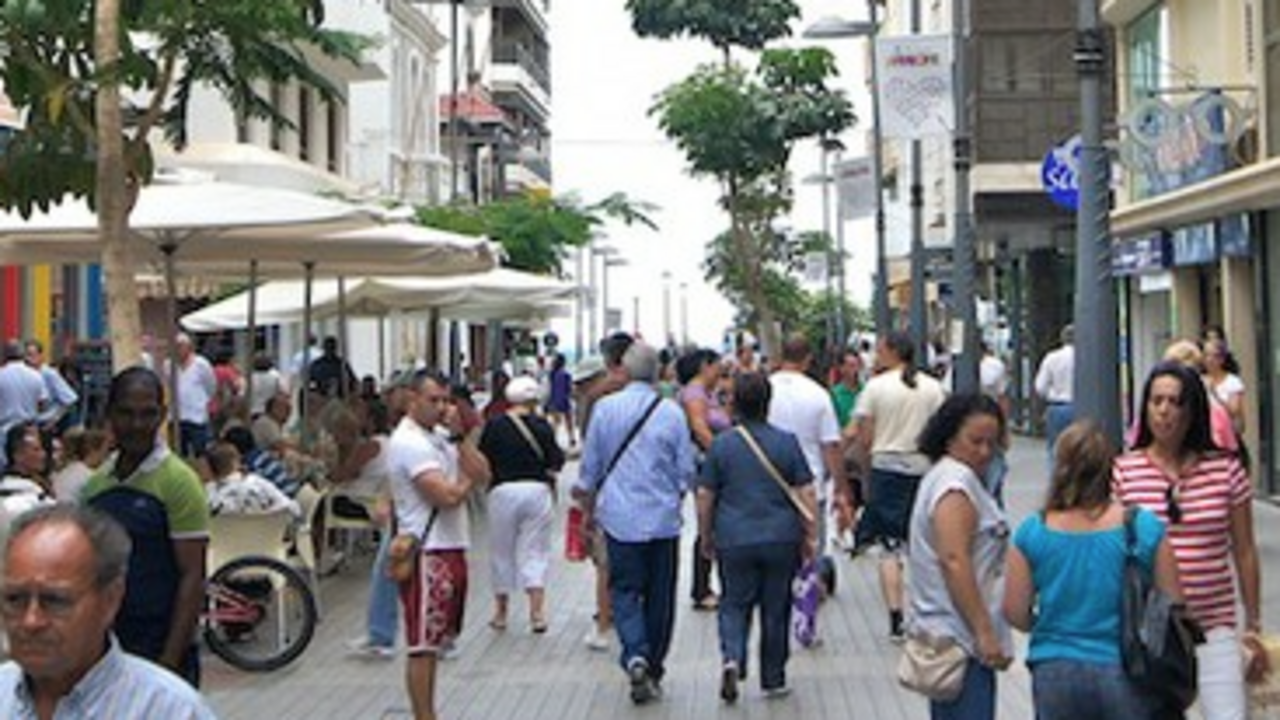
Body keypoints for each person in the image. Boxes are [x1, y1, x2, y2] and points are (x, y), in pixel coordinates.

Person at [1113, 360, 1266, 719]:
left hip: (1214, 624)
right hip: (1151, 631)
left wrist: (1254, 622)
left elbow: (1244, 550)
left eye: (1176, 402)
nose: (1164, 411)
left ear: (1193, 410)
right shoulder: (1124, 471)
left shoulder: (1225, 469)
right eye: (1156, 401)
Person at [1003, 420, 1181, 719]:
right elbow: (1174, 601)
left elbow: (1015, 611)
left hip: (1054, 668)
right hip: (1126, 667)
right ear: (1110, 468)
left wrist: (1048, 624)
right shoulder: (1143, 527)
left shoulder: (1032, 531)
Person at [0, 504, 216, 718]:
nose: (31, 621)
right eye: (14, 599)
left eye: (55, 601)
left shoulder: (171, 710)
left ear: (110, 601)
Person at [573, 341, 696, 705]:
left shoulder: (605, 410)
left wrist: (586, 510)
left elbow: (589, 470)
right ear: (658, 373)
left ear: (624, 371)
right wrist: (676, 495)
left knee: (624, 590)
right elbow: (685, 469)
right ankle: (653, 664)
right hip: (662, 520)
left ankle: (635, 652)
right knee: (660, 596)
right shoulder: (672, 412)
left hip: (619, 520)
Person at [82, 367, 209, 687]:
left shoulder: (180, 482)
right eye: (126, 413)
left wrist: (169, 662)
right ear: (109, 414)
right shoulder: (95, 486)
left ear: (162, 415)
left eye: (147, 414)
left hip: (161, 648)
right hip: (106, 653)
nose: (137, 425)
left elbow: (193, 575)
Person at [697, 371, 817, 703]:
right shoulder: (786, 442)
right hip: (781, 537)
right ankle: (773, 678)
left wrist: (706, 535)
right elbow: (806, 491)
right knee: (776, 607)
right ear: (768, 403)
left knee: (734, 604)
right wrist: (811, 536)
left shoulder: (722, 445)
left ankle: (732, 657)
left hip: (734, 536)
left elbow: (705, 494)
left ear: (734, 402)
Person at [388, 368, 490, 720]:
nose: (441, 407)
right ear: (412, 399)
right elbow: (445, 495)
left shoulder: (441, 437)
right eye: (433, 400)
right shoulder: (409, 442)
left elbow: (484, 472)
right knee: (423, 644)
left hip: (451, 544)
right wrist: (465, 481)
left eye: (446, 400)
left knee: (438, 640)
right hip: (427, 550)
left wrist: (461, 438)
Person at [906, 393, 1012, 719]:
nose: (984, 451)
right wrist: (983, 631)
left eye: (991, 443)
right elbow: (954, 559)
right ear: (950, 437)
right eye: (975, 441)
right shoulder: (955, 485)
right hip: (961, 640)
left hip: (949, 633)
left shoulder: (942, 476)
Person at [846, 331, 947, 640]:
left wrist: (864, 472)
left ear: (891, 351)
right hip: (923, 469)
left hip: (886, 467)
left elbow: (863, 435)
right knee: (922, 543)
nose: (875, 355)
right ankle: (927, 609)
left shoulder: (875, 388)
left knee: (890, 547)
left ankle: (895, 616)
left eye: (879, 349)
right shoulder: (933, 388)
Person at [766, 333, 852, 642]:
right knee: (811, 555)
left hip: (770, 485)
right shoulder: (818, 395)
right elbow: (831, 446)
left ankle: (774, 620)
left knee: (777, 555)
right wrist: (842, 489)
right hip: (811, 486)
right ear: (808, 360)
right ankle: (806, 623)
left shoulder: (766, 389)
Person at [478, 375, 565, 633]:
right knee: (535, 551)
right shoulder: (542, 425)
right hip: (537, 491)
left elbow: (484, 458)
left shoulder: (494, 426)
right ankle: (537, 613)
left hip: (502, 491)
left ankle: (501, 613)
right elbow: (556, 461)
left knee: (501, 551)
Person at [677, 347, 731, 611]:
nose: (719, 370)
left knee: (717, 523)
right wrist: (723, 455)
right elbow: (699, 427)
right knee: (708, 522)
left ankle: (714, 584)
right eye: (716, 365)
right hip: (706, 466)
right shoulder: (694, 393)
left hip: (712, 463)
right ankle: (702, 587)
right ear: (703, 366)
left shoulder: (709, 393)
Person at [204, 441, 300, 518]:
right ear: (236, 462)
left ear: (210, 470)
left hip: (225, 541)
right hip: (267, 539)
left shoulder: (208, 494)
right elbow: (292, 508)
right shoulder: (258, 483)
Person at [168, 333, 216, 459]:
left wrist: (203, 402)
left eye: (180, 346)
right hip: (176, 416)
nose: (177, 350)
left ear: (189, 348)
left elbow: (211, 386)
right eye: (175, 346)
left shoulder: (201, 364)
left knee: (200, 452)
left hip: (197, 416)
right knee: (179, 453)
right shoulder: (168, 365)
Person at [0, 341, 48, 467]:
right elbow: (43, 404)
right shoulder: (36, 376)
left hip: (4, 429)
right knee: (28, 465)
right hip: (30, 429)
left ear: (4, 355)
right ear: (23, 355)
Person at [1034, 324, 1075, 465]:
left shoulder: (1052, 358)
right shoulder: (1087, 355)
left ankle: (1056, 481)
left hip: (1057, 407)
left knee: (1055, 450)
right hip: (1083, 407)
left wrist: (1052, 393)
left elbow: (1040, 387)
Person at [23, 339, 79, 435]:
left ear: (41, 356)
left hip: (47, 424)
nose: (28, 359)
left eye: (32, 355)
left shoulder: (49, 374)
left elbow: (70, 400)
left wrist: (53, 421)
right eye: (26, 355)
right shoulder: (25, 374)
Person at [51, 427, 111, 501]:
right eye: (105, 450)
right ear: (93, 450)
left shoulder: (68, 469)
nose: (107, 456)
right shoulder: (90, 477)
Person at [1202, 338, 1245, 435]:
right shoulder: (1199, 380)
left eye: (1214, 356)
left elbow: (1234, 410)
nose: (1209, 359)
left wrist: (1215, 394)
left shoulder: (1232, 381)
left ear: (1222, 359)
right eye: (1206, 355)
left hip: (1226, 435)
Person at [543, 353, 576, 448]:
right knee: (568, 421)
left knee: (555, 422)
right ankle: (571, 438)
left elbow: (548, 388)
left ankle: (552, 439)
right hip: (564, 400)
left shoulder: (551, 374)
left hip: (553, 399)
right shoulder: (566, 375)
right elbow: (569, 389)